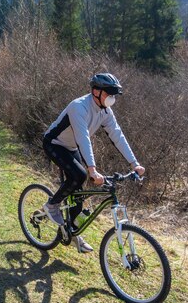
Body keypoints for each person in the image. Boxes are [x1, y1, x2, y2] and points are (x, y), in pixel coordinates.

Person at [42, 73, 145, 253]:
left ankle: (72, 233)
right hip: (55, 143)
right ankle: (52, 205)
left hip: (71, 147)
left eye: (114, 95)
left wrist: (134, 163)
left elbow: (117, 135)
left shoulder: (105, 111)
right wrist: (92, 169)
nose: (112, 99)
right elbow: (83, 139)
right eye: (109, 94)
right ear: (96, 91)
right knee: (80, 175)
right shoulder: (79, 107)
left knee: (78, 193)